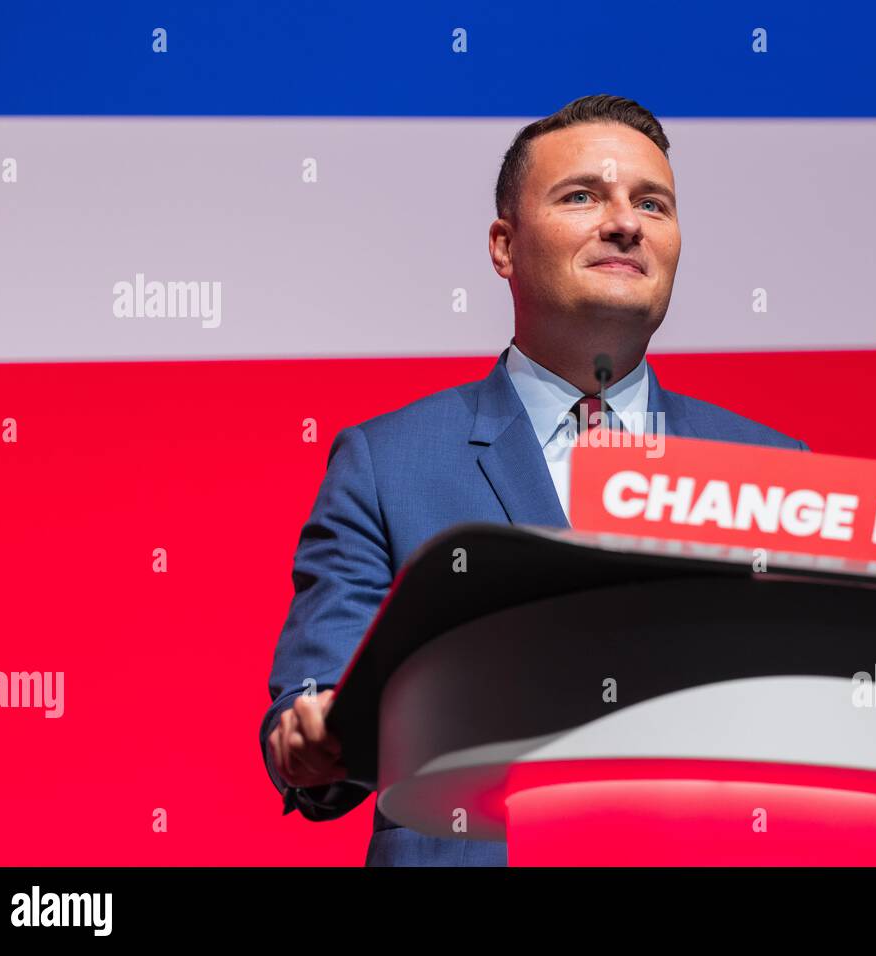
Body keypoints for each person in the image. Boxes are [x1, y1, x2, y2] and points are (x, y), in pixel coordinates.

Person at [262, 94, 811, 866]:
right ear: (504, 246)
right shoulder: (387, 465)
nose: (625, 222)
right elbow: (315, 701)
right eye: (583, 195)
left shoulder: (778, 473)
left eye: (652, 203)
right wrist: (313, 735)